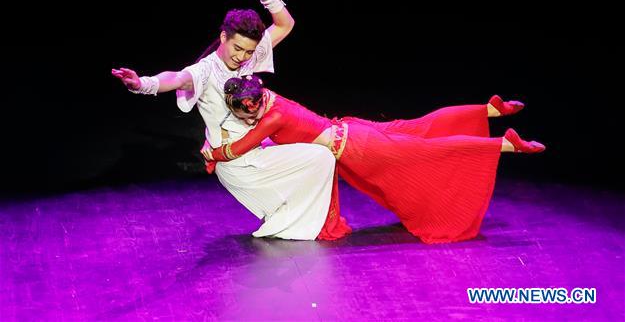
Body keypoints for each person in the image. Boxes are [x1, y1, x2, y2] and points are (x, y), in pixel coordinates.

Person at [112, 0, 344, 241]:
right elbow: (175, 78)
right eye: (237, 49)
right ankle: (292, 222)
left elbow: (284, 24)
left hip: (257, 152)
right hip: (238, 164)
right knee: (319, 159)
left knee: (322, 157)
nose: (242, 57)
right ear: (223, 38)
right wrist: (142, 84)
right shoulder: (205, 71)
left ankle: (292, 220)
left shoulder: (248, 56)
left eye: (248, 51)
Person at [201, 75, 546, 245]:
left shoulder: (269, 119)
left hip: (356, 148)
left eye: (247, 114)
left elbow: (241, 148)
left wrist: (213, 154)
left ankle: (502, 145)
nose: (250, 118)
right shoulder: (270, 97)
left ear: (249, 104)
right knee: (417, 129)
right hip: (350, 129)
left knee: (423, 152)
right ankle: (487, 110)